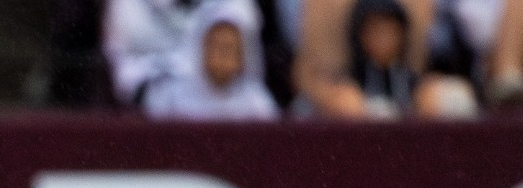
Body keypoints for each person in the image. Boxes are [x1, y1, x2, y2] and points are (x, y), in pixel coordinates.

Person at [293, 0, 479, 116]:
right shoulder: (348, 84)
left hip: (409, 116)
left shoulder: (410, 77)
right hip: (351, 113)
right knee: (346, 104)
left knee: (450, 97)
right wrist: (331, 95)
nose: (383, 39)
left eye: (390, 32)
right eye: (376, 31)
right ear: (361, 35)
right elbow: (306, 77)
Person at [144, 0, 283, 116]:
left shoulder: (257, 103)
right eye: (216, 45)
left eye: (229, 48)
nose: (222, 56)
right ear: (200, 47)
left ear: (243, 55)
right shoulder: (172, 99)